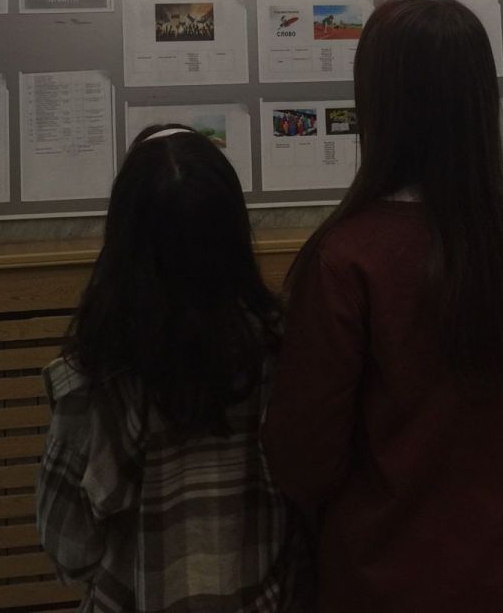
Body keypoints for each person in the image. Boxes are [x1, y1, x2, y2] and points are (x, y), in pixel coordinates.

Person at [263, 0, 503, 613]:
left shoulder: (349, 259)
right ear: (482, 101)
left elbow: (303, 459)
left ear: (378, 108)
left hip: (398, 584)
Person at [37, 124, 311, 612]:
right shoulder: (284, 349)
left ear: (123, 242)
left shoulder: (95, 382)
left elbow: (69, 547)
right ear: (234, 235)